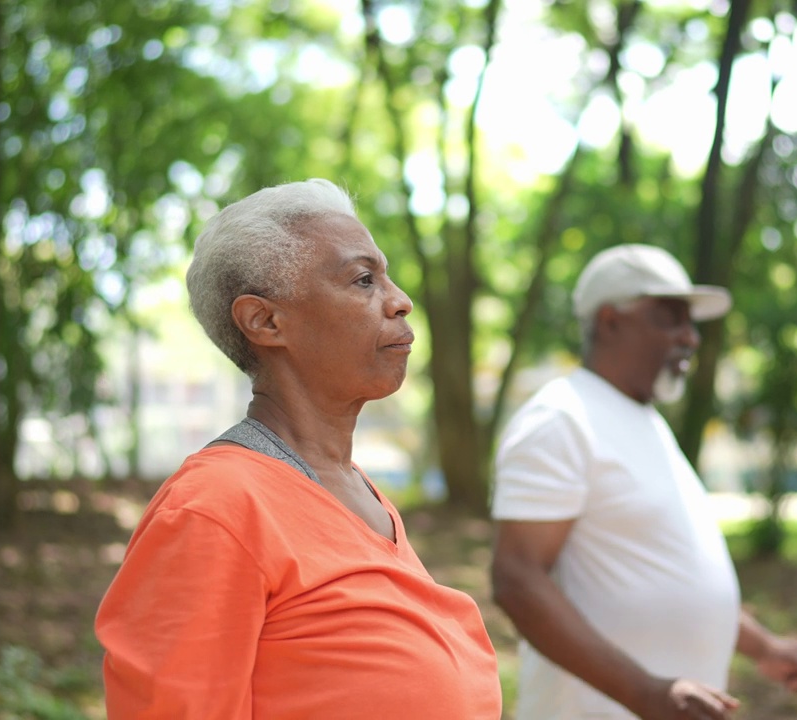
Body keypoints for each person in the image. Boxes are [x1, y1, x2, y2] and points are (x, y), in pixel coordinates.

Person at [95, 179, 501, 719]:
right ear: (265, 321)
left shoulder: (356, 488)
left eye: (387, 276)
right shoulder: (214, 507)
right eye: (363, 280)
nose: (400, 301)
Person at [489, 244, 797, 720]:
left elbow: (662, 568)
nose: (690, 337)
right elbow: (516, 578)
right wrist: (645, 693)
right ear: (610, 321)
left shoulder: (645, 420)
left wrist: (764, 647)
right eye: (669, 318)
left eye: (691, 322)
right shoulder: (561, 419)